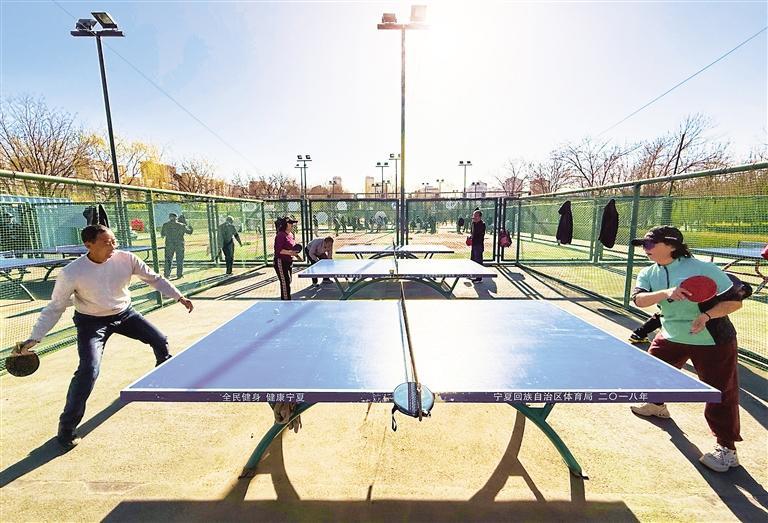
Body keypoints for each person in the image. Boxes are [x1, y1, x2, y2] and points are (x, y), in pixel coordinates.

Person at [11, 224, 193, 450]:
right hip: (91, 322)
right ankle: (66, 429)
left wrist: (179, 296)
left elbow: (154, 279)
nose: (113, 246)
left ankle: (162, 376)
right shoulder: (71, 273)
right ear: (88, 245)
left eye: (114, 241)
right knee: (88, 370)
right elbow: (55, 307)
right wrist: (35, 337)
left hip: (125, 314)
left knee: (160, 340)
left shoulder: (126, 259)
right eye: (107, 243)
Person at [629, 225, 749, 472]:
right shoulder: (649, 272)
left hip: (711, 339)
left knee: (719, 393)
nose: (645, 249)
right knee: (651, 371)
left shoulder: (704, 269)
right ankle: (657, 406)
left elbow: (734, 302)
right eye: (643, 245)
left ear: (671, 245)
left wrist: (706, 316)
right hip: (672, 334)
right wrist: (666, 293)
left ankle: (727, 450)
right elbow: (638, 299)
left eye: (650, 244)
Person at [273, 217, 302, 300]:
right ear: (285, 224)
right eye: (290, 223)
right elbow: (279, 250)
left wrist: (297, 256)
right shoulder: (280, 235)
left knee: (288, 280)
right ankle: (286, 301)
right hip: (280, 261)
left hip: (289, 261)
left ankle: (286, 299)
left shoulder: (291, 235)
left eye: (293, 223)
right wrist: (291, 253)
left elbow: (292, 248)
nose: (292, 225)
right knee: (285, 282)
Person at [160, 213, 193, 279]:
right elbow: (189, 232)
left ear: (169, 218)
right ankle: (179, 274)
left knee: (168, 260)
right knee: (179, 260)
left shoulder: (165, 225)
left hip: (169, 244)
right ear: (176, 218)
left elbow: (162, 235)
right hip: (179, 245)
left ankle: (167, 275)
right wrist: (190, 227)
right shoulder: (181, 225)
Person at [468, 209, 486, 283]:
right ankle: (473, 275)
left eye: (476, 216)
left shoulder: (482, 224)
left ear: (479, 217)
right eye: (473, 215)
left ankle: (479, 278)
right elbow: (472, 233)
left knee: (478, 261)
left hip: (478, 245)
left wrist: (472, 238)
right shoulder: (473, 223)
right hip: (474, 244)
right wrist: (470, 237)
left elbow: (479, 236)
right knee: (473, 260)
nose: (474, 217)